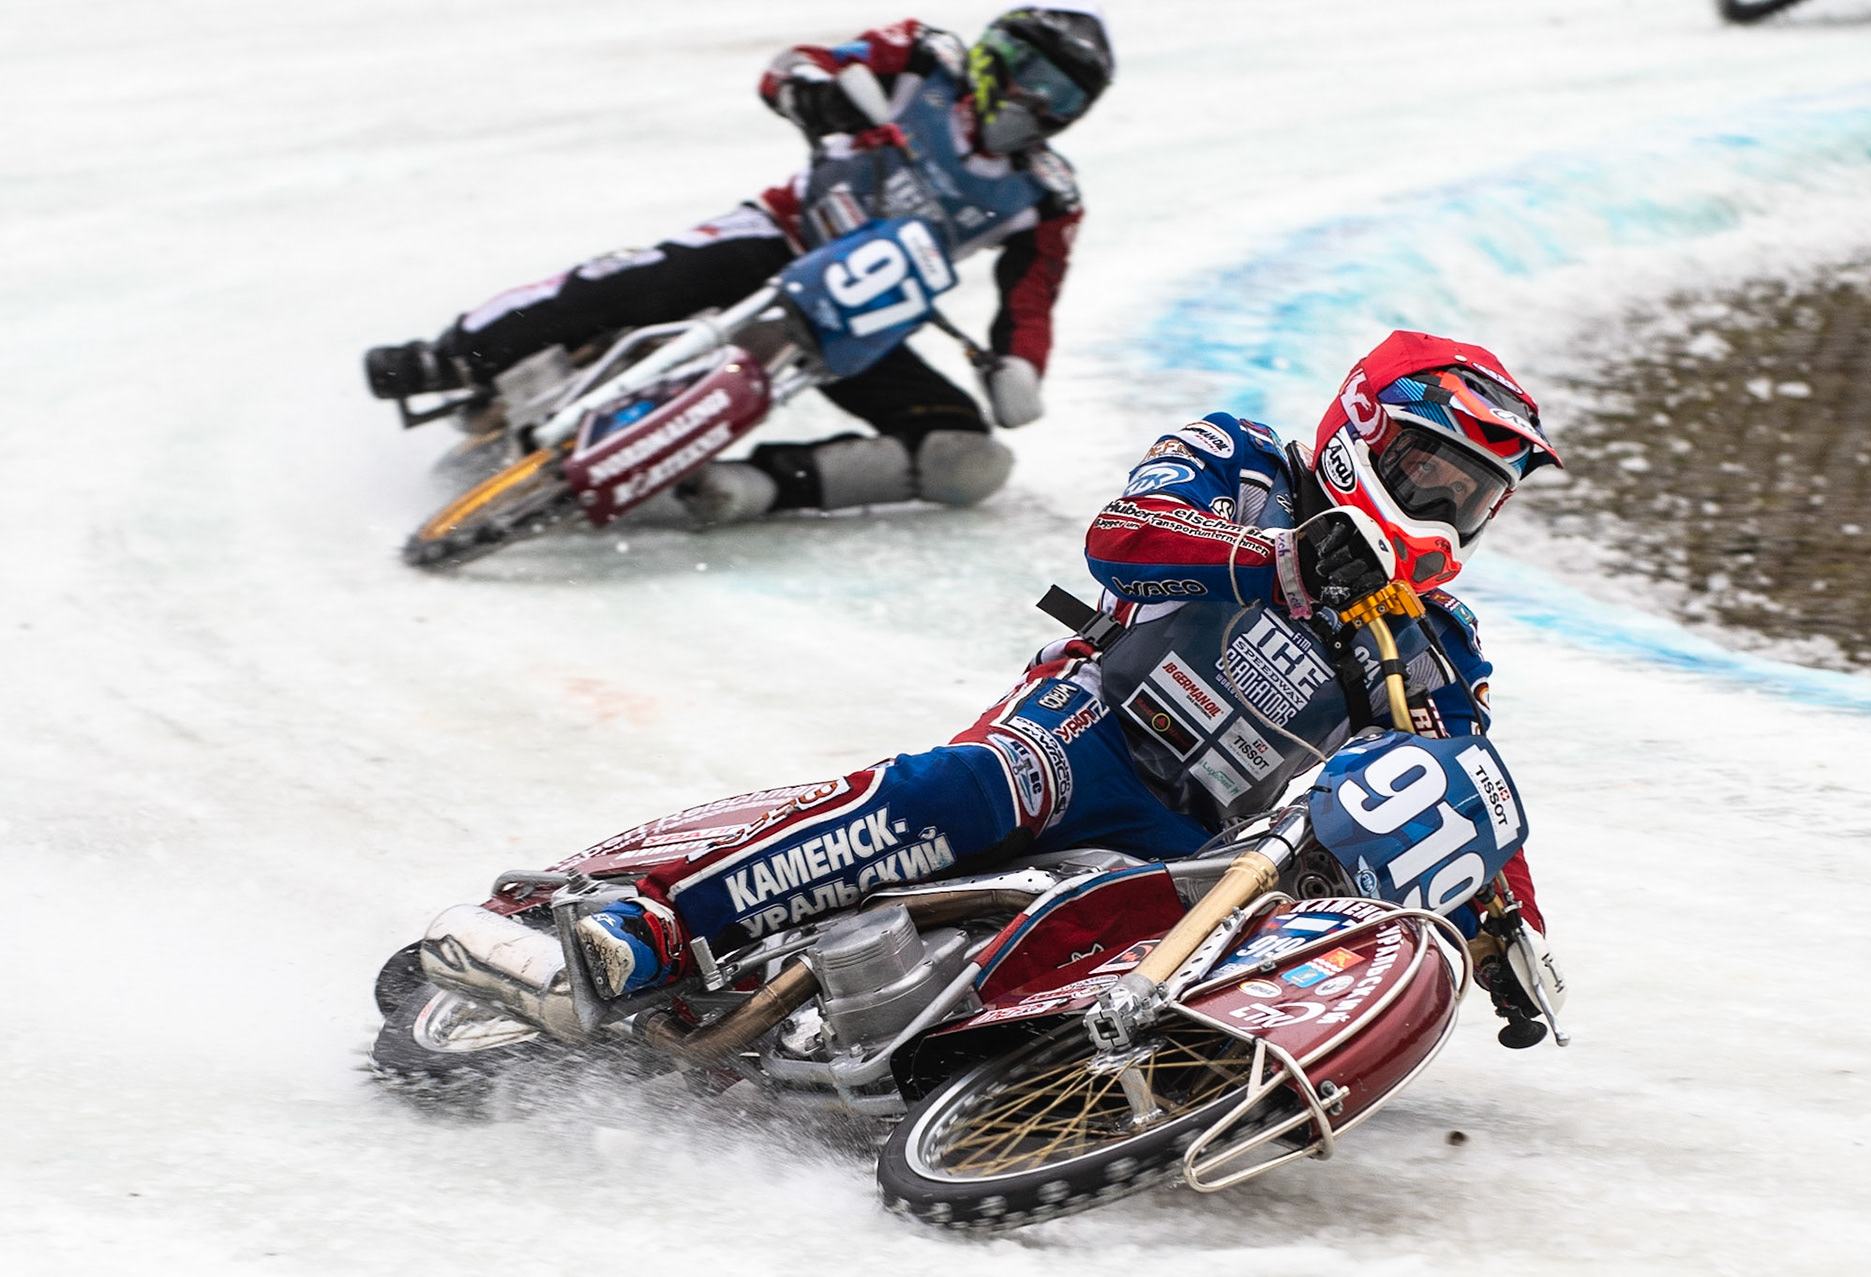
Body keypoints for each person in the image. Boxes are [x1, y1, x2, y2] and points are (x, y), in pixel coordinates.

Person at [569, 330, 1566, 1044]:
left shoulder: (1430, 636)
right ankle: (654, 923)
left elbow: (1456, 786)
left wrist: (1511, 932)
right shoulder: (1243, 459)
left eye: (1470, 493)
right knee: (955, 793)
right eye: (1429, 468)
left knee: (1199, 961)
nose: (1441, 503)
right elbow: (1124, 539)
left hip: (1202, 835)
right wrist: (1280, 560)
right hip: (1087, 728)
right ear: (1364, 427)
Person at [364, 7, 1113, 525]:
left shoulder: (1046, 195)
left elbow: (1031, 300)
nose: (1029, 98)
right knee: (638, 280)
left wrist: (1018, 365)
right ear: (991, 52)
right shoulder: (924, 58)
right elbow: (795, 66)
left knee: (963, 453)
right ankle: (454, 355)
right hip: (782, 237)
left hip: (862, 319)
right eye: (1024, 69)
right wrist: (817, 95)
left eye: (1058, 93)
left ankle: (752, 486)